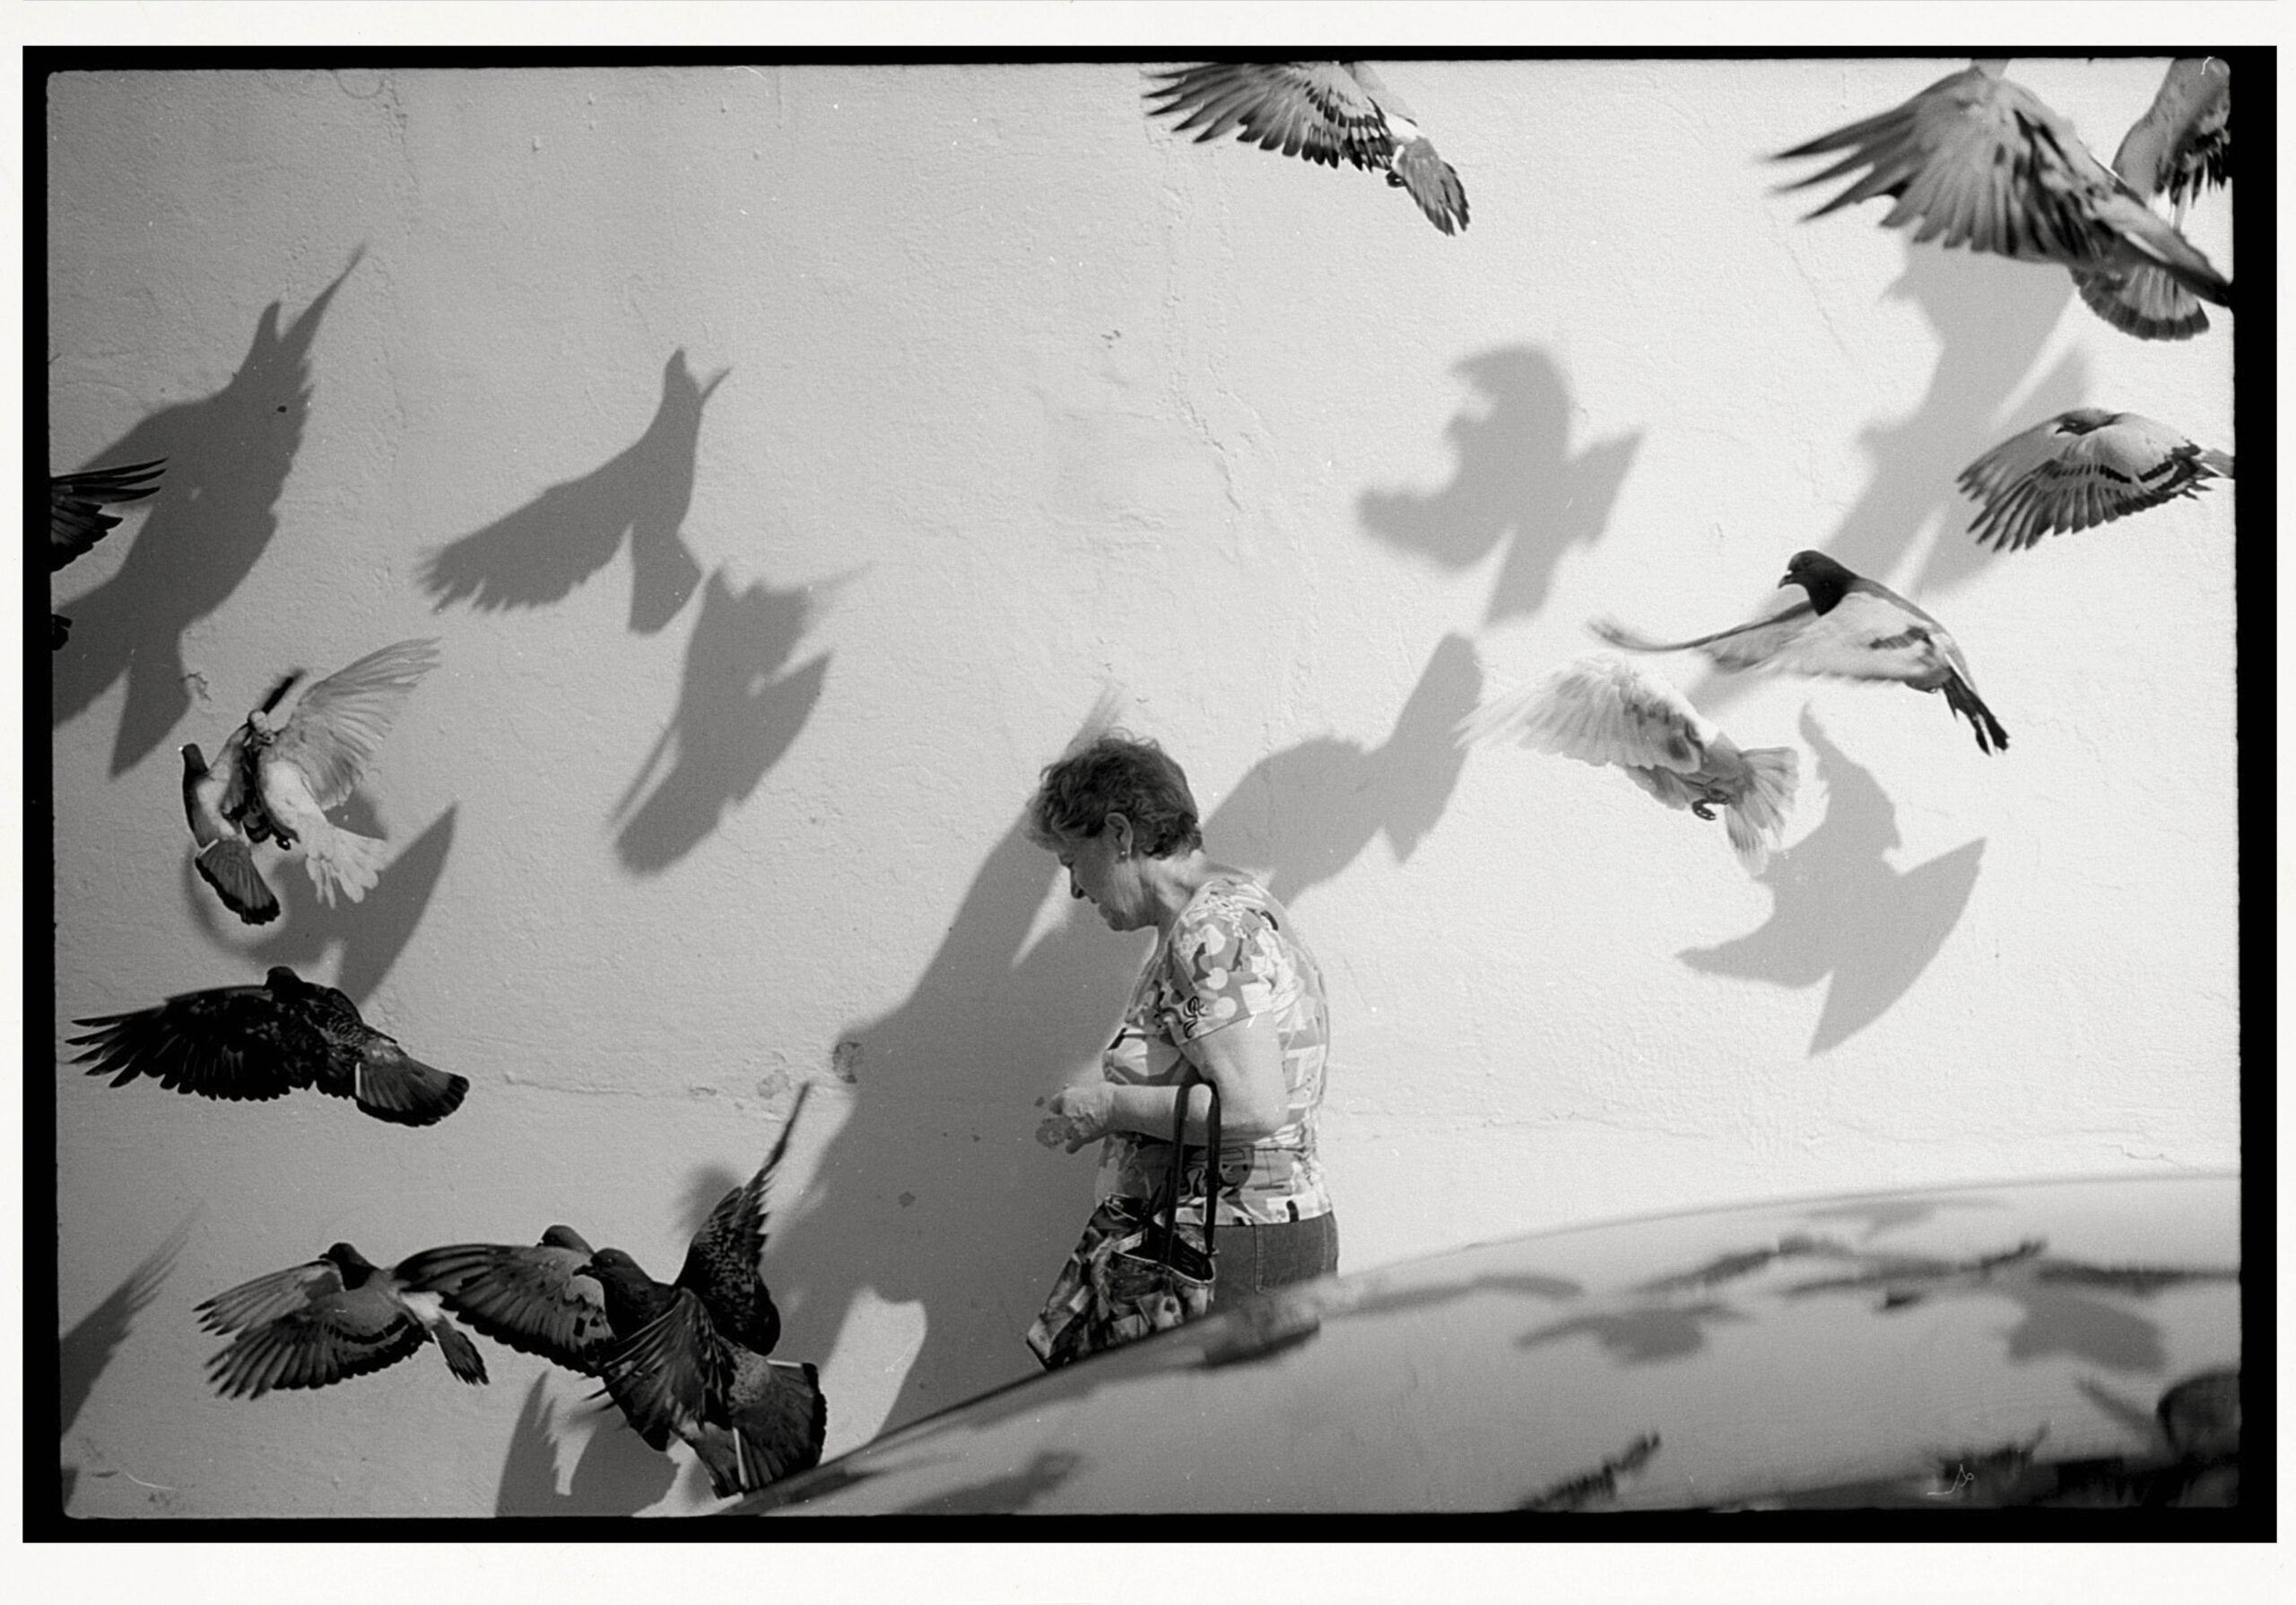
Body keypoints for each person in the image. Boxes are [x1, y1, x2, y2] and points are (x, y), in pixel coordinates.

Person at [1023, 730, 1336, 1365]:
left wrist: (1109, 1106)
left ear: (1120, 834)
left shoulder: (1209, 931)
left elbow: (1251, 1108)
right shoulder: (1231, 909)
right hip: (1244, 1239)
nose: (1076, 890)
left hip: (1226, 1250)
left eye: (1072, 861)